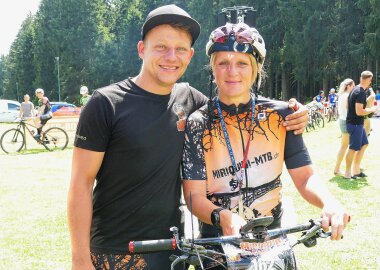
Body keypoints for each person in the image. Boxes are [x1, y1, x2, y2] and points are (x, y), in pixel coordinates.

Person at [67, 5, 308, 270]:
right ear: (141, 49)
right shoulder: (106, 104)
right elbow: (81, 183)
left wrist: (294, 113)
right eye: (160, 47)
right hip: (115, 251)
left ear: (191, 55)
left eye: (180, 49)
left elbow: (232, 106)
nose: (171, 57)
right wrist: (80, 258)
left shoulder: (190, 100)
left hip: (173, 249)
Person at [182, 22, 349, 269]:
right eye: (223, 63)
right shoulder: (198, 122)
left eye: (242, 63)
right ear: (212, 68)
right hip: (217, 243)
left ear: (257, 68)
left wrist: (330, 202)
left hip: (271, 241)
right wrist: (224, 217)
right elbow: (193, 196)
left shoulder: (283, 115)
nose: (232, 71)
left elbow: (304, 177)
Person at [344, 71, 377, 179]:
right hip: (355, 124)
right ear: (368, 80)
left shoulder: (355, 89)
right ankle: (347, 173)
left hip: (357, 124)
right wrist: (372, 109)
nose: (370, 82)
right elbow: (359, 112)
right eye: (370, 80)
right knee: (353, 148)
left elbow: (349, 107)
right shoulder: (361, 92)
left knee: (364, 144)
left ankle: (356, 171)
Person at [333, 79, 355, 176]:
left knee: (344, 146)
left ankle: (337, 168)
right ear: (348, 86)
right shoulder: (347, 96)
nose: (354, 88)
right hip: (346, 121)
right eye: (353, 86)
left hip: (343, 120)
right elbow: (349, 109)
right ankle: (337, 169)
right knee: (345, 146)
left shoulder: (342, 95)